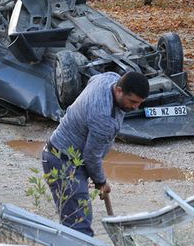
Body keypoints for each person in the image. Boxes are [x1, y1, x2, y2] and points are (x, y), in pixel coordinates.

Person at [41, 71, 149, 236]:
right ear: (119, 90)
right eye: (132, 101)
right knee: (78, 226)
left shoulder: (108, 78)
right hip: (63, 164)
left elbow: (93, 78)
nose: (135, 107)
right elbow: (91, 156)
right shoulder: (104, 118)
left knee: (76, 219)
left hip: (66, 156)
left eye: (140, 103)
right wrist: (101, 181)